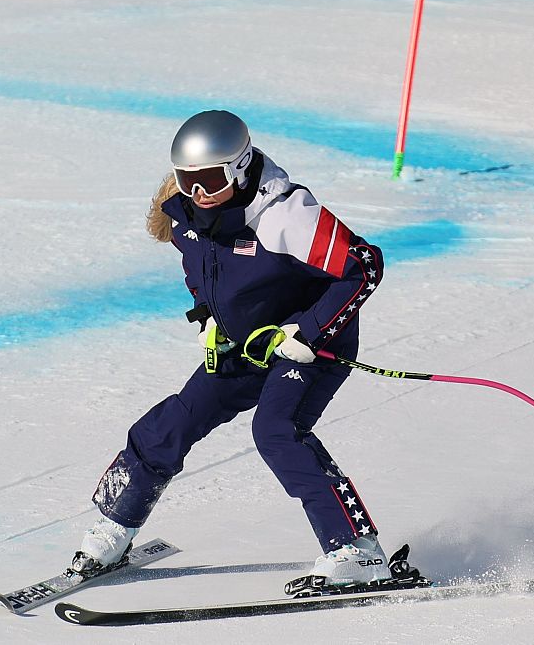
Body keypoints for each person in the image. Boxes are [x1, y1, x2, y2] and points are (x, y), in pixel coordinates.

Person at [72, 109, 392, 593]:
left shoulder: (287, 216)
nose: (198, 193)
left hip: (311, 346)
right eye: (188, 181)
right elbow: (200, 269)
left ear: (239, 169)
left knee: (277, 430)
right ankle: (116, 526)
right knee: (173, 422)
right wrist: (208, 318)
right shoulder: (185, 218)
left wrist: (306, 333)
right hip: (244, 343)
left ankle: (357, 550)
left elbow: (363, 266)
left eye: (211, 180)